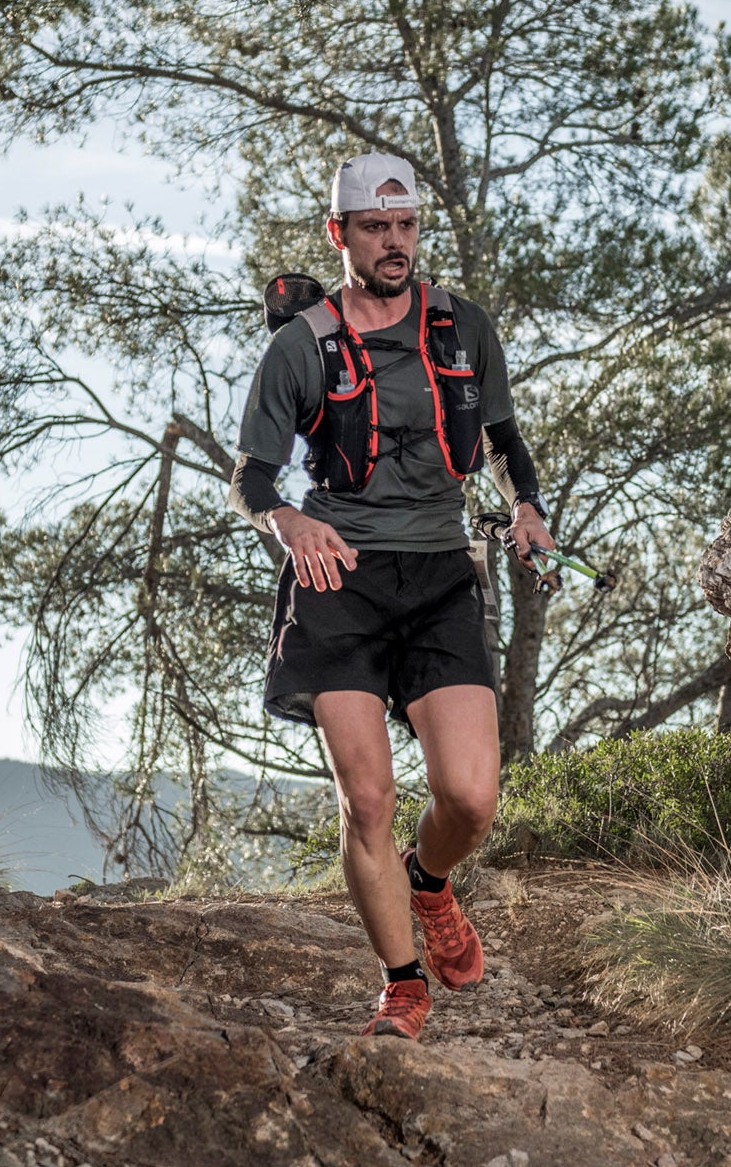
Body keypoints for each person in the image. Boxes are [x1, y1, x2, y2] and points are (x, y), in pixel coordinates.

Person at [229, 153, 554, 1041]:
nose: (395, 243)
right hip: (337, 577)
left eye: (406, 226)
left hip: (442, 573)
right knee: (366, 797)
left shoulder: (462, 327)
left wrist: (526, 506)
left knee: (472, 796)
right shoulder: (301, 347)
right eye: (376, 229)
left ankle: (432, 879)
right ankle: (402, 984)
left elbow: (502, 436)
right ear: (340, 235)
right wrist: (290, 525)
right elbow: (251, 478)